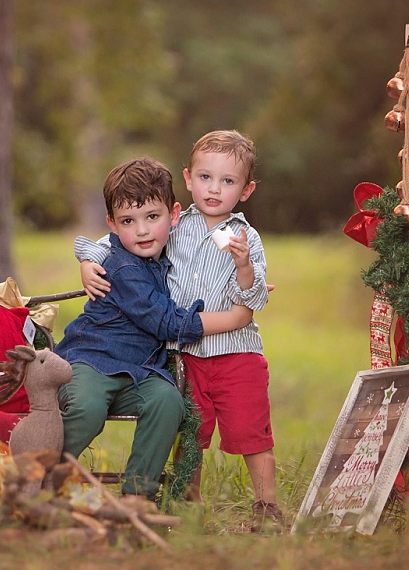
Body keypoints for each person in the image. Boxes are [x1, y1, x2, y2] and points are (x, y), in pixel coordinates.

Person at [76, 130, 282, 529]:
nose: (214, 189)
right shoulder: (173, 225)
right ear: (188, 179)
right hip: (184, 354)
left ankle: (266, 506)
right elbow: (117, 240)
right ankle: (189, 499)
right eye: (206, 178)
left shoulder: (246, 238)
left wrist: (244, 267)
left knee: (251, 431)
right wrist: (88, 259)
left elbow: (253, 299)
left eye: (228, 182)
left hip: (236, 352)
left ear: (247, 189)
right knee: (190, 432)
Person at [55, 157, 252, 501]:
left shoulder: (167, 249)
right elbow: (166, 322)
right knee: (88, 409)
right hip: (92, 360)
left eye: (152, 217)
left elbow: (204, 263)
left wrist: (247, 282)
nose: (143, 230)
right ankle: (39, 471)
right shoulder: (123, 267)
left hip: (139, 370)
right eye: (129, 221)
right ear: (113, 226)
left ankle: (138, 495)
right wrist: (235, 318)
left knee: (166, 401)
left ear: (173, 216)